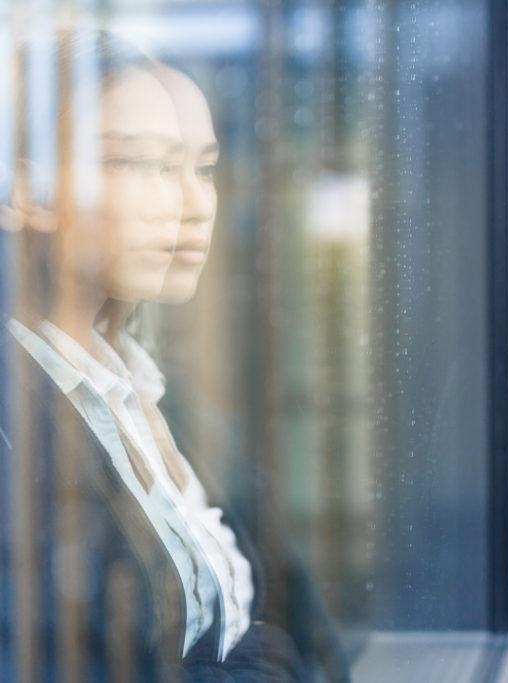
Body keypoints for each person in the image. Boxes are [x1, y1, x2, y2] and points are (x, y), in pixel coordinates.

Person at [0, 31, 346, 681]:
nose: (192, 205)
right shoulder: (17, 418)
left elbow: (296, 626)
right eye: (135, 163)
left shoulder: (161, 396)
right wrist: (262, 659)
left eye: (204, 168)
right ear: (26, 192)